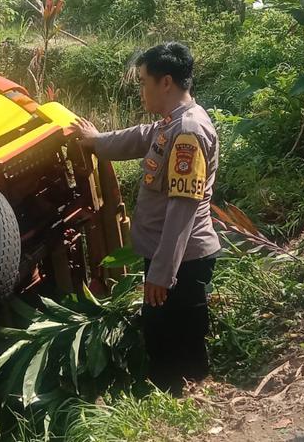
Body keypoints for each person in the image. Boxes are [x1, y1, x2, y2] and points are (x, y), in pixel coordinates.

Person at [74, 42, 221, 395]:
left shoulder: (188, 132)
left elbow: (182, 211)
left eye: (143, 82)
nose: (141, 90)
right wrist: (96, 141)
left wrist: (162, 274)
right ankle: (175, 398)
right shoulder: (172, 123)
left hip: (181, 261)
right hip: (169, 257)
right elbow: (141, 137)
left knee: (176, 341)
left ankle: (186, 403)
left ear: (165, 82)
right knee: (162, 335)